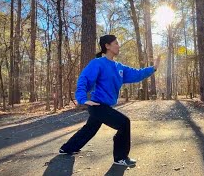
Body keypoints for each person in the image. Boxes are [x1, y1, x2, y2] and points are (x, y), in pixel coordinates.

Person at [59, 35, 160, 167]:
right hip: (98, 106)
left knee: (90, 129)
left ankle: (67, 148)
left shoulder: (119, 67)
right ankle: (120, 158)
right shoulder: (97, 63)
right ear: (107, 46)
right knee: (124, 123)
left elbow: (136, 74)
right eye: (116, 43)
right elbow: (84, 79)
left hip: (104, 106)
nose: (118, 46)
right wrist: (83, 99)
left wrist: (153, 68)